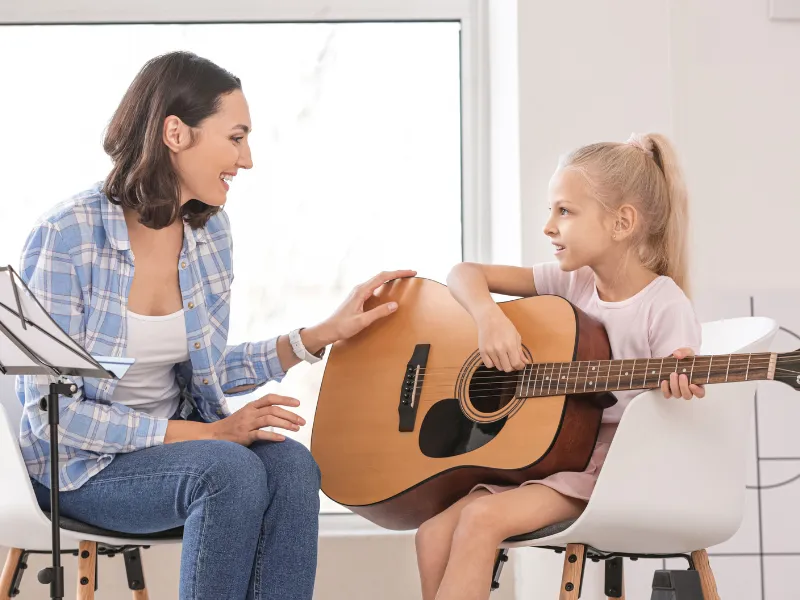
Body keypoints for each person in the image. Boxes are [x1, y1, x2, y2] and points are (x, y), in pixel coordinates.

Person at [15, 50, 414, 600]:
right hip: (82, 470)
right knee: (228, 470)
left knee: (293, 467)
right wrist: (205, 434)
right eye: (235, 137)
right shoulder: (68, 235)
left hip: (182, 451)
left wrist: (315, 337)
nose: (246, 159)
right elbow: (51, 413)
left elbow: (200, 370)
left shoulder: (210, 235)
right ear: (175, 133)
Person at [414, 133, 704, 600]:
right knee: (431, 533)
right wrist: (489, 319)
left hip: (613, 473)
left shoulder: (664, 304)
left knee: (481, 518)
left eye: (564, 211)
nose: (549, 226)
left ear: (622, 222)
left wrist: (680, 376)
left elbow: (681, 376)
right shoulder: (571, 282)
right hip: (552, 458)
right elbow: (462, 273)